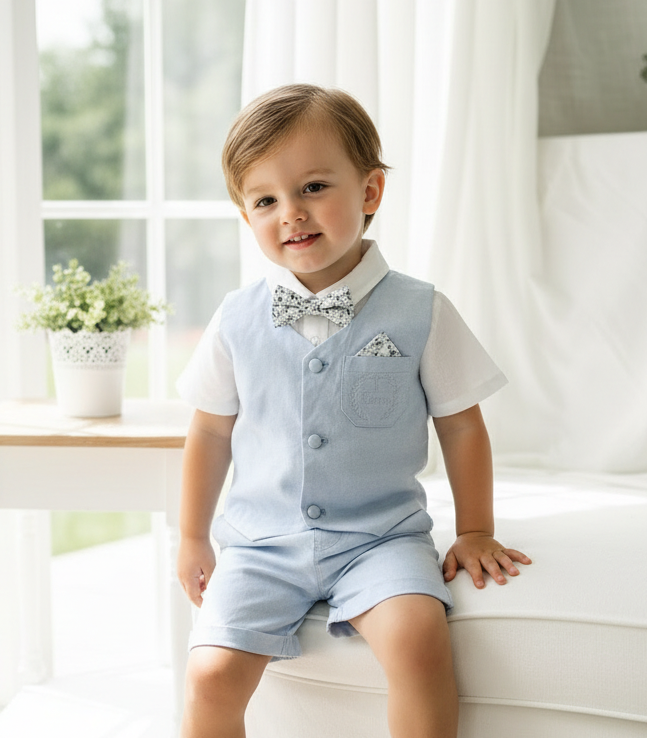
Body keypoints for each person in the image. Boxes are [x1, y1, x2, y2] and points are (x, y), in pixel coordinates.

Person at [176, 83, 531, 738]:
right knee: (209, 674)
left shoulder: (422, 310)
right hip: (260, 544)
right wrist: (193, 535)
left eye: (313, 187)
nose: (292, 213)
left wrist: (476, 529)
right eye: (265, 200)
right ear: (246, 216)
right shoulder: (234, 319)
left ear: (370, 192)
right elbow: (210, 432)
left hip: (381, 539)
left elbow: (461, 425)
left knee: (419, 639)